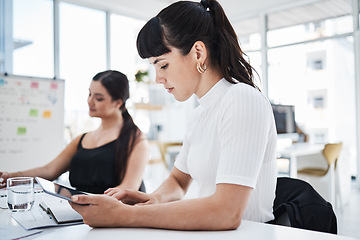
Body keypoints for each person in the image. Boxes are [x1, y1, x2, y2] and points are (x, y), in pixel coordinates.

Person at [70, 0, 277, 230]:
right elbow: (178, 181)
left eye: (163, 65)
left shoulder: (242, 99)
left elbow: (226, 212)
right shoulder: (199, 115)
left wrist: (126, 215)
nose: (158, 78)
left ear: (198, 53)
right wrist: (152, 199)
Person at [0, 70, 149, 194]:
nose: (90, 101)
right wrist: (12, 177)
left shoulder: (136, 140)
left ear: (118, 102)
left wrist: (90, 202)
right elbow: (50, 170)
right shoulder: (82, 139)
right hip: (80, 215)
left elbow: (129, 188)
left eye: (99, 98)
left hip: (115, 219)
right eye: (89, 94)